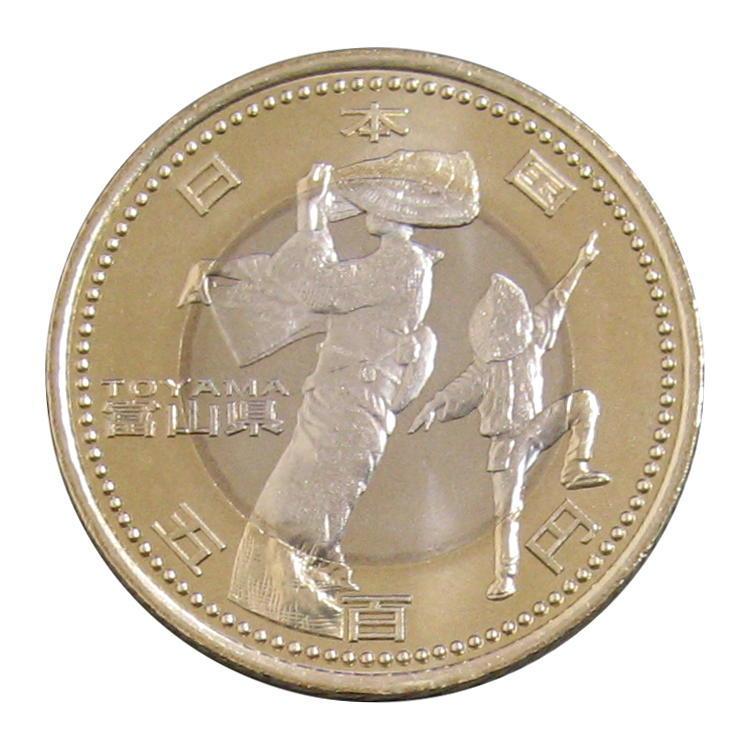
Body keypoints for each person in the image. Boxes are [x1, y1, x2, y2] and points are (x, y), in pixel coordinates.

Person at [181, 150, 479, 635]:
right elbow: (321, 293)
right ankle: (303, 580)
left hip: (352, 395)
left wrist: (312, 215)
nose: (368, 209)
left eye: (379, 199)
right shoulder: (397, 263)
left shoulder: (402, 261)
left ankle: (290, 591)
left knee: (305, 487)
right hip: (351, 392)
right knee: (320, 483)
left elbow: (320, 290)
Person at [410, 231, 610, 601]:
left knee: (584, 403)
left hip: (536, 427)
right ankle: (505, 576)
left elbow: (558, 298)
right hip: (507, 446)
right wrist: (435, 406)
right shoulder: (484, 369)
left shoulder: (532, 339)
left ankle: (575, 466)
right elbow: (458, 392)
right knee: (507, 511)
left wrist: (581, 263)